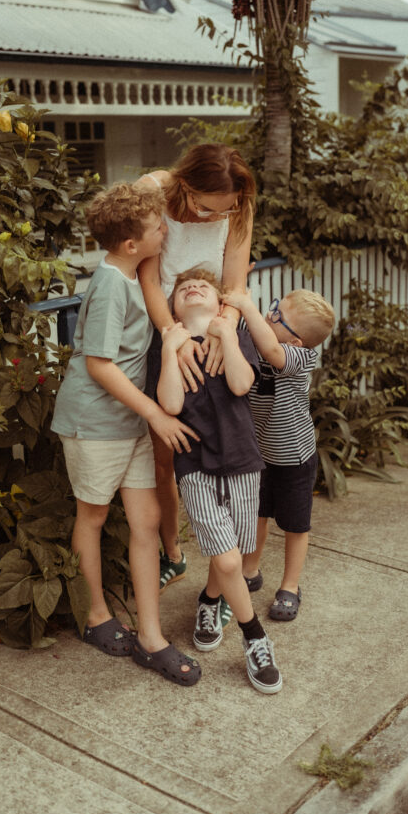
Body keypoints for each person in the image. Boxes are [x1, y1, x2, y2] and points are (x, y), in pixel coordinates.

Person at [51, 182, 201, 686]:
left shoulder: (135, 272)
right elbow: (99, 365)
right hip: (95, 422)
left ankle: (151, 637)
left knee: (147, 521)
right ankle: (96, 615)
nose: (166, 232)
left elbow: (157, 184)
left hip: (131, 419)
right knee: (92, 516)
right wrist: (156, 415)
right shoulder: (112, 284)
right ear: (132, 243)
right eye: (158, 228)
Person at [157, 267, 283, 694]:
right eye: (184, 288)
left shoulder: (236, 335)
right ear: (175, 308)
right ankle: (255, 637)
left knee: (230, 547)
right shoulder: (171, 345)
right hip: (195, 466)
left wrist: (226, 333)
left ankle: (210, 600)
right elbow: (170, 405)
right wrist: (169, 349)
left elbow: (242, 383)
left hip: (243, 459)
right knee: (230, 561)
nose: (193, 288)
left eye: (203, 286)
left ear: (218, 303)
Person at [136, 144, 256, 591]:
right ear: (185, 185)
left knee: (230, 450)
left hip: (221, 332)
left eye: (223, 212)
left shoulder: (239, 203)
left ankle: (222, 582)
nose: (213, 218)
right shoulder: (154, 191)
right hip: (166, 331)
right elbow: (149, 278)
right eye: (205, 208)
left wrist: (226, 330)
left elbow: (235, 282)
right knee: (165, 455)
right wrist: (174, 337)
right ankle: (173, 553)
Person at [222, 287, 335, 622]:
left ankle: (290, 586)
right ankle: (250, 570)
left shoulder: (301, 357)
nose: (268, 315)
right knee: (256, 513)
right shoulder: (254, 333)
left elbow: (272, 351)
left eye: (278, 316)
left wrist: (246, 306)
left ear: (297, 341)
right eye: (274, 307)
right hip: (258, 451)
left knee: (295, 524)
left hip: (294, 458)